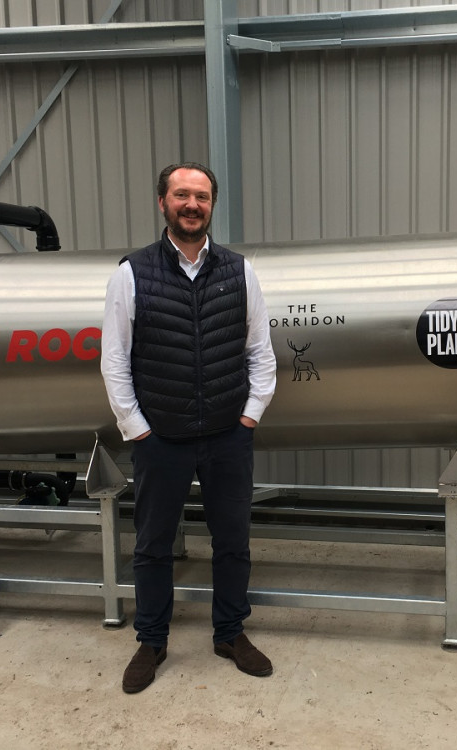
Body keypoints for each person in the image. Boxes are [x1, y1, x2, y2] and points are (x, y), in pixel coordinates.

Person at [100, 162, 277, 694]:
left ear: (211, 205)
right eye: (181, 195)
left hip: (227, 434)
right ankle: (151, 641)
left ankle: (230, 632)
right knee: (153, 544)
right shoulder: (131, 273)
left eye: (201, 196)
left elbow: (260, 353)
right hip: (162, 438)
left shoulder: (240, 271)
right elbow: (115, 360)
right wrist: (138, 430)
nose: (192, 204)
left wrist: (248, 419)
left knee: (233, 540)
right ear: (163, 203)